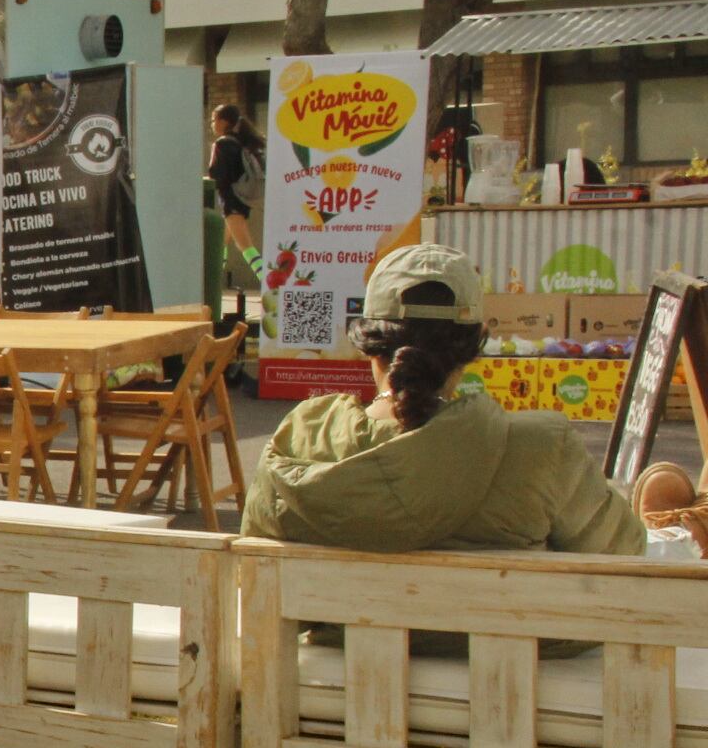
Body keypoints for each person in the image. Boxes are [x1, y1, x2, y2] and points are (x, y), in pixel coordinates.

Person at [242, 243, 644, 648]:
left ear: (366, 343)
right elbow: (625, 563)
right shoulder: (542, 449)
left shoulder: (300, 439)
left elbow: (252, 581)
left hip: (326, 700)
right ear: (472, 348)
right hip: (514, 697)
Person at [208, 104, 268, 287]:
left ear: (223, 122)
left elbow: (216, 173)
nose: (211, 124)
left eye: (213, 119)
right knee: (222, 244)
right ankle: (213, 285)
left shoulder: (223, 143)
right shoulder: (242, 141)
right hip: (241, 199)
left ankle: (271, 285)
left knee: (246, 247)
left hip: (230, 201)